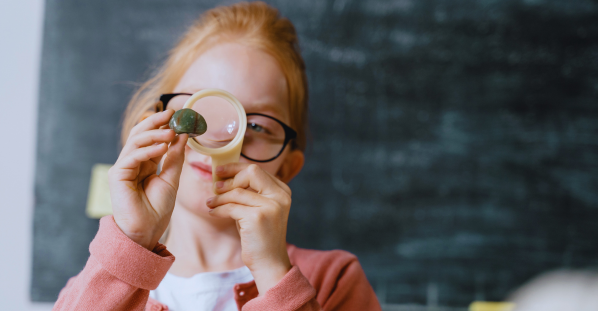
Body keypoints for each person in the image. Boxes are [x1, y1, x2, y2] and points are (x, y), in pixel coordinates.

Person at [52, 2, 381, 311]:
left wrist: (273, 274)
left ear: (287, 168)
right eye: (197, 109)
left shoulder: (334, 280)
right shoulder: (96, 287)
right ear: (152, 126)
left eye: (255, 124)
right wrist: (132, 243)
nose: (222, 138)